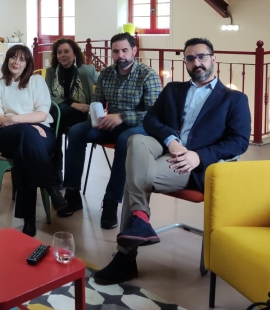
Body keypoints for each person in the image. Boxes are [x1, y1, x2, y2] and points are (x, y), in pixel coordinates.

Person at [94, 37, 251, 284]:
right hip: (166, 148)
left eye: (201, 56)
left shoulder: (234, 99)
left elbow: (239, 141)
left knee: (134, 177)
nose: (196, 62)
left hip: (191, 162)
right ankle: (140, 221)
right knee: (136, 141)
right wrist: (171, 140)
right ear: (185, 62)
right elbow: (151, 120)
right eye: (190, 58)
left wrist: (198, 155)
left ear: (213, 58)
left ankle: (127, 253)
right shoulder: (174, 90)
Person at [60, 33, 162, 228]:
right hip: (110, 123)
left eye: (124, 50)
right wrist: (97, 116)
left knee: (125, 140)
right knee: (76, 131)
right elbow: (97, 100)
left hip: (137, 127)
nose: (120, 55)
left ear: (134, 51)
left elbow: (153, 113)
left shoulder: (148, 75)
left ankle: (111, 201)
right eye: (116, 51)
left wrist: (122, 117)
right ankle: (72, 193)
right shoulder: (107, 73)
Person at [0, 45, 67, 236]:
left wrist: (16, 119)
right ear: (7, 60)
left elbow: (42, 114)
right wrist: (25, 124)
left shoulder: (36, 81)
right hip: (8, 135)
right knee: (25, 135)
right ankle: (51, 186)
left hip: (39, 133)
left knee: (24, 152)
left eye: (22, 59)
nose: (17, 62)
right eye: (13, 58)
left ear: (28, 63)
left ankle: (28, 220)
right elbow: (0, 119)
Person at [45, 38, 99, 183]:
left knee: (52, 125)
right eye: (59, 52)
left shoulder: (87, 70)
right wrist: (72, 104)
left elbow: (104, 83)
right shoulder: (51, 72)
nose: (62, 55)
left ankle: (57, 173)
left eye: (66, 51)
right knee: (56, 119)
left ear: (75, 53)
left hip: (81, 116)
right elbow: (47, 96)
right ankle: (56, 171)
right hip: (60, 113)